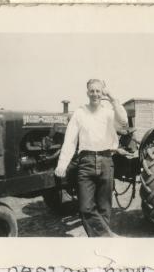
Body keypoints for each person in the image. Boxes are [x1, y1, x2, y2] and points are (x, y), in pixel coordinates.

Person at [54, 79, 128, 237]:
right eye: (92, 91)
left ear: (103, 93)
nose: (95, 94)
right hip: (86, 162)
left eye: (98, 91)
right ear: (87, 93)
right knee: (85, 208)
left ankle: (101, 247)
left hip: (106, 160)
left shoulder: (109, 112)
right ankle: (108, 238)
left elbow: (124, 122)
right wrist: (62, 164)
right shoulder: (79, 113)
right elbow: (70, 140)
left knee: (104, 208)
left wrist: (113, 98)